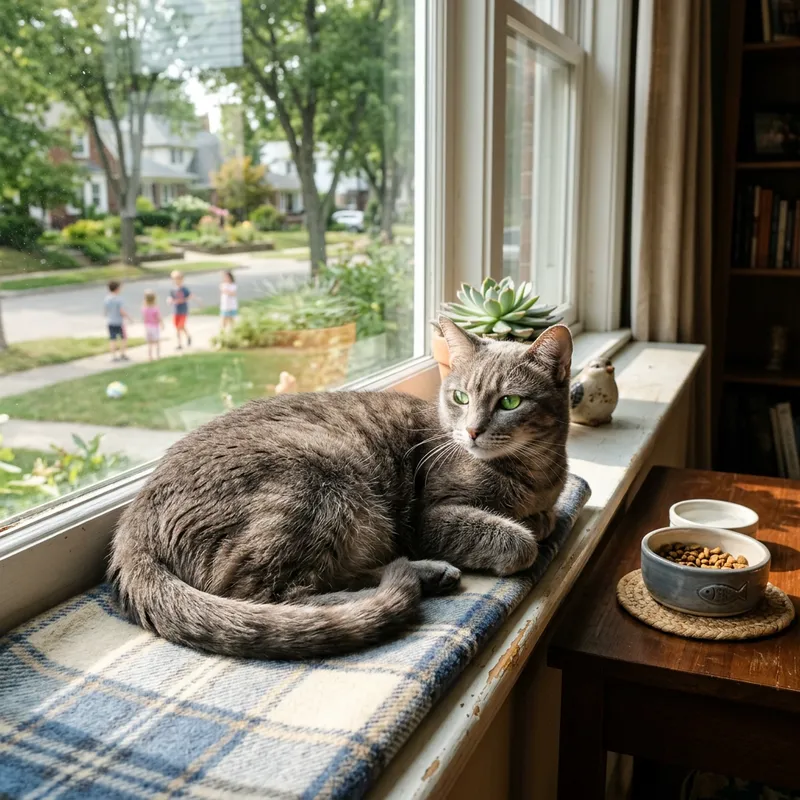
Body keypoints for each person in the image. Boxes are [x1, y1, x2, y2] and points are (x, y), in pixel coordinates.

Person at [167, 270, 196, 350]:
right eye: (175, 279)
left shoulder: (184, 289)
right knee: (179, 327)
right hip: (176, 311)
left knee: (180, 327)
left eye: (178, 278)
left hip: (183, 311)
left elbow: (190, 296)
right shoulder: (173, 290)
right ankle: (187, 337)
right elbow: (170, 298)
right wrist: (169, 301)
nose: (176, 280)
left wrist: (184, 300)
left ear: (182, 279)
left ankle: (179, 344)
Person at [104, 280, 132, 362]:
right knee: (123, 338)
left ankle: (113, 356)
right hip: (119, 322)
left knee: (112, 339)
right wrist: (129, 317)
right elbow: (121, 311)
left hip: (110, 321)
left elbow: (106, 310)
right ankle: (122, 354)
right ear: (117, 289)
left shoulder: (107, 299)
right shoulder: (119, 299)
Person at [142, 289, 164, 361]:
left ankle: (150, 356)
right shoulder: (155, 308)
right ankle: (158, 356)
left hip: (147, 327)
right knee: (157, 341)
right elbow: (158, 317)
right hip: (154, 327)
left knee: (149, 343)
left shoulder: (144, 308)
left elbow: (144, 318)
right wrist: (162, 324)